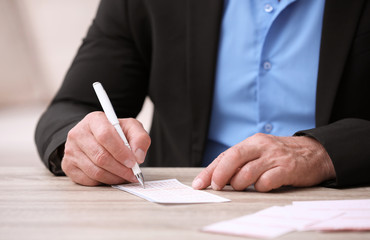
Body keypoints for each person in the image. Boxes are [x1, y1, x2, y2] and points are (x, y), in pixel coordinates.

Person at [35, 0, 370, 192]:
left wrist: (323, 153)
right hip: (183, 215)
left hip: (340, 206)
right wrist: (81, 142)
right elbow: (72, 106)